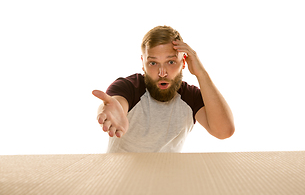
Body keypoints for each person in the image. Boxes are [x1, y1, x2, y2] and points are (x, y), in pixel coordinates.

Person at [92, 25, 235, 152]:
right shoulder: (128, 87)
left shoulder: (190, 96)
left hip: (167, 177)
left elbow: (224, 131)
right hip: (122, 178)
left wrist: (201, 73)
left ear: (183, 62)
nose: (162, 73)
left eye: (171, 62)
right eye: (153, 63)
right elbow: (115, 105)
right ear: (143, 63)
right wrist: (110, 112)